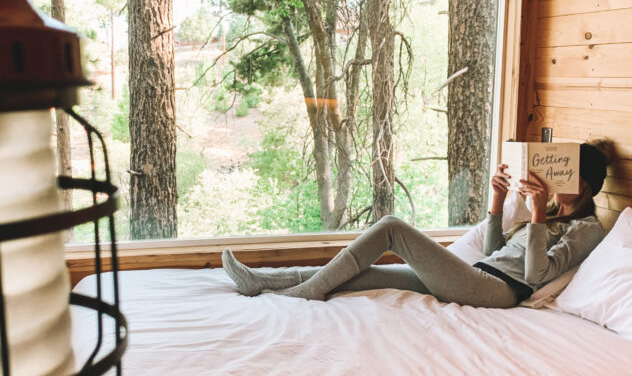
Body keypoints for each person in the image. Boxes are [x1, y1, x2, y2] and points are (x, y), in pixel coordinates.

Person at [221, 138, 614, 305]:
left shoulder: (588, 230)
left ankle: (303, 295)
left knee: (391, 227)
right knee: (361, 275)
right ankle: (262, 282)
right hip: (475, 274)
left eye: (562, 170)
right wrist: (497, 200)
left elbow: (534, 274)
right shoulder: (547, 215)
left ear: (581, 184)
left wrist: (538, 215)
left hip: (498, 292)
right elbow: (494, 252)